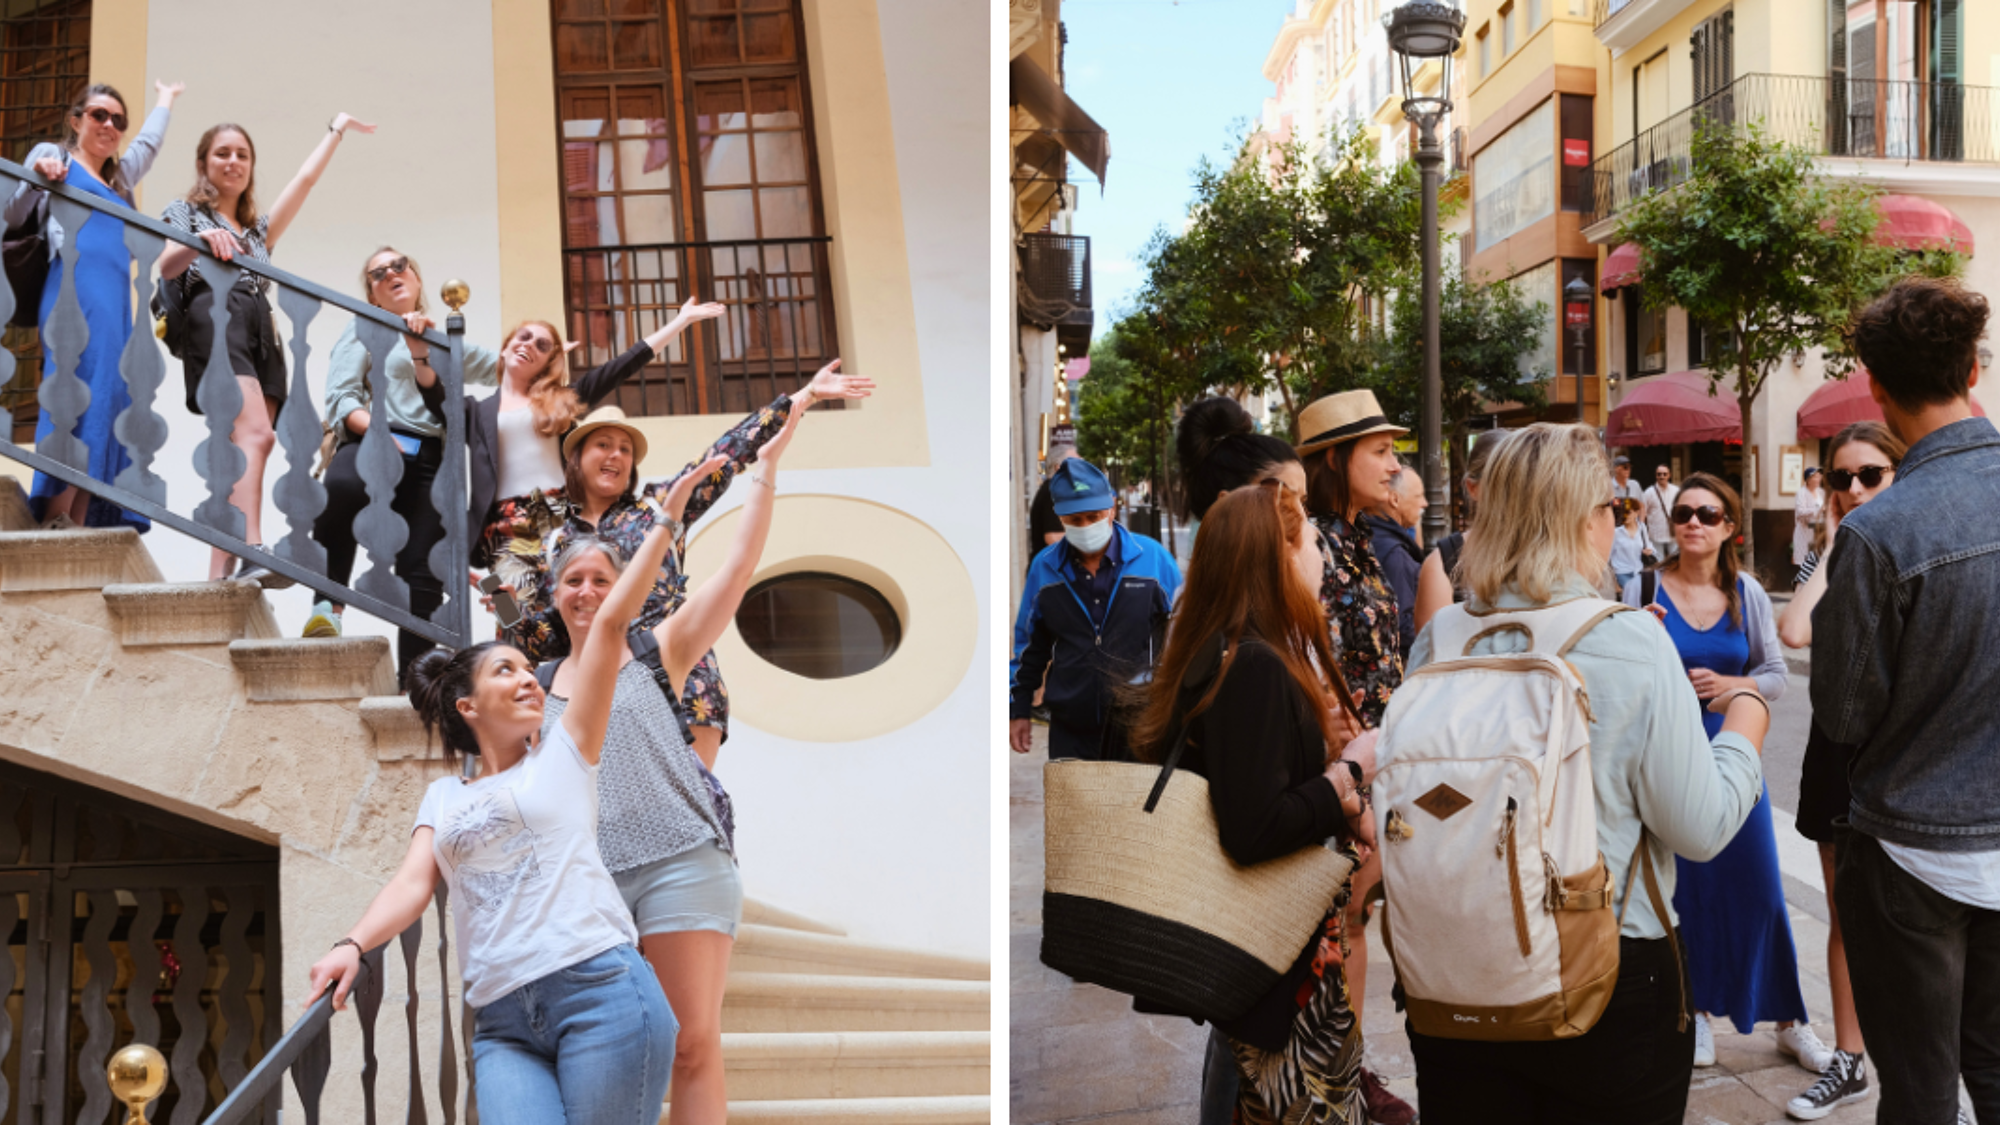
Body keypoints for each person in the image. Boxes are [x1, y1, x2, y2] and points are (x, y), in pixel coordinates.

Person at [301, 461, 725, 1125]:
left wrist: (665, 521)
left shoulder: (566, 750)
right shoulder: (444, 797)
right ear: (468, 704)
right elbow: (413, 885)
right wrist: (353, 944)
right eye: (509, 669)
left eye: (532, 670)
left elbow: (610, 627)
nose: (531, 680)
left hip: (602, 991)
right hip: (502, 1017)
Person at [1404, 422, 1768, 1124]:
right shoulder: (1628, 637)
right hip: (1607, 969)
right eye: (1609, 506)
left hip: (1457, 970)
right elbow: (1698, 828)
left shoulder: (1439, 637)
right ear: (1579, 518)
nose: (1616, 519)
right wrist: (1745, 726)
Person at [540, 403, 806, 1125]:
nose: (589, 591)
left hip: (679, 860)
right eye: (574, 581)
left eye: (603, 579)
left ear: (624, 589)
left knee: (692, 1043)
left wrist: (767, 475)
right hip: (589, 881)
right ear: (553, 594)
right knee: (616, 1049)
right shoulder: (531, 685)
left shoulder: (661, 649)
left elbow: (738, 569)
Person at [1129, 480, 1377, 1123]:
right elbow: (1254, 827)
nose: (1323, 556)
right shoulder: (1255, 665)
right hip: (1280, 976)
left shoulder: (1232, 652)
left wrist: (1331, 788)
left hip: (1267, 968)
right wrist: (1348, 775)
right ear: (1280, 557)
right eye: (1313, 543)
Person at [1814, 277, 2000, 1125]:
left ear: (1874, 385)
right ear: (1973, 369)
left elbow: (1844, 714)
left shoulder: (1880, 533)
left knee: (1920, 1092)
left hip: (1910, 851)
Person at [507, 359, 872, 769]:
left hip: (680, 671)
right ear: (576, 457)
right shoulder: (553, 541)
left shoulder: (660, 505)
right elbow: (541, 638)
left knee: (692, 804)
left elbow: (727, 453)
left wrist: (806, 396)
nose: (615, 456)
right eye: (603, 445)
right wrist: (506, 607)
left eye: (625, 449)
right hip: (600, 688)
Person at [1620, 472, 1829, 1077]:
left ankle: (1791, 1020)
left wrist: (1733, 685)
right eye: (1684, 512)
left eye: (1708, 515)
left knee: (1760, 889)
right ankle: (1700, 1013)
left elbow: (1775, 674)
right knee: (1688, 891)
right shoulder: (1643, 588)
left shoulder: (1749, 593)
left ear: (1729, 527)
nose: (1693, 523)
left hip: (1737, 755)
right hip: (1669, 760)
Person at [160, 115, 375, 584]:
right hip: (217, 315)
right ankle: (252, 546)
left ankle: (222, 570)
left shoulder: (257, 233)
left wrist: (335, 130)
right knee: (256, 434)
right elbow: (165, 265)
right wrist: (199, 242)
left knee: (244, 444)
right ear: (203, 163)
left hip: (261, 328)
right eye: (223, 153)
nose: (233, 161)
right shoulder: (186, 212)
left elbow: (304, 181)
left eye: (242, 154)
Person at [416, 306, 720, 628]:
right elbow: (437, 399)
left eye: (543, 345)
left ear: (549, 362)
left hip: (561, 515)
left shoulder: (562, 400)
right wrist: (419, 355)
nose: (530, 345)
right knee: (512, 613)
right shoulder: (476, 412)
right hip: (504, 526)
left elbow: (622, 365)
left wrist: (681, 321)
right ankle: (519, 672)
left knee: (574, 605)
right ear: (505, 348)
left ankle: (581, 671)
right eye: (525, 337)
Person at [1774, 420, 1905, 1120]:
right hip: (1834, 753)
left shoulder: (1914, 547)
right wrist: (1834, 538)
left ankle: (1937, 1076)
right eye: (1840, 478)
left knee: (1920, 920)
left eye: (1871, 475)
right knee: (1846, 915)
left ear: (1899, 474)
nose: (1854, 489)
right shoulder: (1829, 557)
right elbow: (1795, 630)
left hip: (1904, 760)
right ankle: (1850, 1063)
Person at [1293, 388, 1412, 1124]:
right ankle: (1333, 1074)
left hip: (1379, 762)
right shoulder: (1309, 540)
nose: (1394, 464)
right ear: (1336, 459)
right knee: (1337, 925)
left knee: (1358, 917)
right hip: (1338, 768)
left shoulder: (1366, 536)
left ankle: (1350, 1065)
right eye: (1380, 450)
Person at [306, 246, 500, 680]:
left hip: (430, 456)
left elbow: (500, 368)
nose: (391, 273)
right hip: (374, 438)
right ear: (373, 294)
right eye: (378, 273)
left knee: (423, 566)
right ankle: (327, 604)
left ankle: (414, 683)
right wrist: (374, 433)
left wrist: (547, 354)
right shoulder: (365, 328)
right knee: (341, 488)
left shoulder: (443, 339)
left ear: (415, 277)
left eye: (399, 265)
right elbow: (342, 397)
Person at [6, 81, 182, 532]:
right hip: (74, 288)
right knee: (78, 391)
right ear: (76, 120)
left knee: (111, 398)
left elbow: (149, 144)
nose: (109, 125)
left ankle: (78, 521)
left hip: (117, 302)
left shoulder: (119, 180)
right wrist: (39, 176)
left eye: (117, 120)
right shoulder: (55, 155)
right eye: (99, 115)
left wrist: (166, 98)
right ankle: (55, 513)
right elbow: (14, 211)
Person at [1008, 456, 1180, 761]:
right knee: (1073, 809)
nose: (1085, 526)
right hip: (1070, 730)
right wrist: (1018, 709)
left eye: (1093, 516)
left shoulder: (1154, 560)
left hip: (1140, 726)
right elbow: (1030, 647)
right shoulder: (1044, 569)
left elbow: (1184, 634)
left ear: (1112, 507)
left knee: (1134, 809)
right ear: (1060, 517)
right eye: (1075, 520)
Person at [1414, 427, 1510, 632]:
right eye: (1501, 481)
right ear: (1472, 488)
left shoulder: (1553, 552)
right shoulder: (1443, 564)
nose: (1514, 491)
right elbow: (1435, 656)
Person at [1362, 462, 1425, 660]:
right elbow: (1403, 627)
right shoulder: (1395, 554)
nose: (1425, 503)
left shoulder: (1368, 535)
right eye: (1419, 496)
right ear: (1395, 499)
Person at [1610, 498, 1655, 591]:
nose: (1625, 516)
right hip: (1622, 573)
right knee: (1633, 596)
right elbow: (1608, 557)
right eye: (1623, 513)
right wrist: (1614, 582)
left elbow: (1648, 544)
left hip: (1639, 571)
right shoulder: (1616, 532)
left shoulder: (1642, 527)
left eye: (1628, 512)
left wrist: (1650, 550)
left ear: (1636, 513)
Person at [1642, 463, 1680, 561]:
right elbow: (1642, 513)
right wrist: (1643, 534)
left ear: (1669, 475)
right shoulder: (1648, 492)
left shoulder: (1676, 491)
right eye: (1659, 474)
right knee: (1659, 563)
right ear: (1656, 476)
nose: (1661, 476)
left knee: (1675, 561)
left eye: (1664, 474)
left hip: (1672, 533)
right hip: (1656, 534)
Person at [1793, 466, 1824, 572]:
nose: (1819, 479)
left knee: (1817, 563)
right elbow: (1800, 512)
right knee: (1805, 563)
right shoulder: (1801, 493)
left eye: (1819, 476)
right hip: (1804, 532)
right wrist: (1817, 510)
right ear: (1808, 479)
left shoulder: (1821, 492)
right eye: (1815, 477)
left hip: (1818, 532)